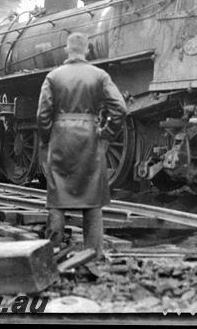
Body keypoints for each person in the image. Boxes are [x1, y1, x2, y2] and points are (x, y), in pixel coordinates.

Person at [36, 32, 127, 258]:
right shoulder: (99, 75)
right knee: (92, 199)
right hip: (90, 138)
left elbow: (42, 114)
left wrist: (47, 139)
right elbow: (120, 109)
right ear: (87, 50)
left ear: (67, 50)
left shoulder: (53, 76)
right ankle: (94, 252)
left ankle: (54, 253)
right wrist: (106, 133)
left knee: (57, 199)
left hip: (61, 139)